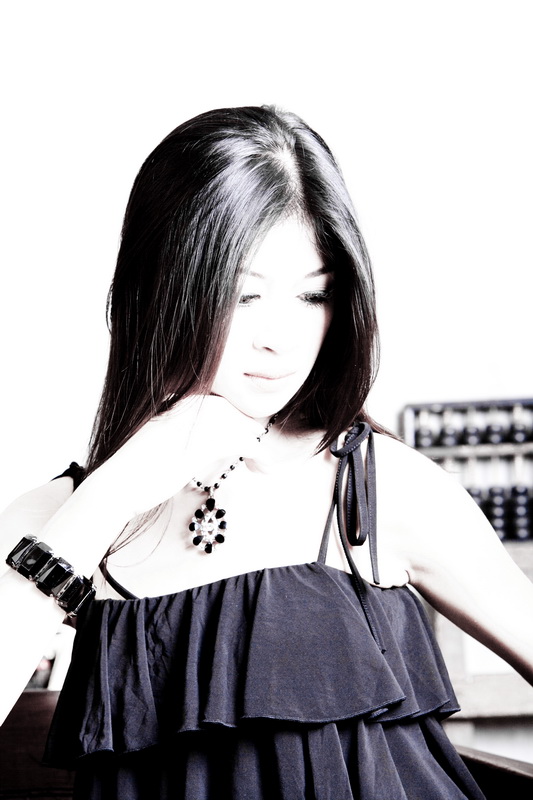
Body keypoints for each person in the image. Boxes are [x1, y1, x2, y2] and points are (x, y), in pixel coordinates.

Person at [1, 105, 532, 800]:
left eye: (314, 295)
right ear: (160, 291)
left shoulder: (374, 489)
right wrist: (111, 494)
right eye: (245, 294)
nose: (281, 339)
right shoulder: (61, 514)